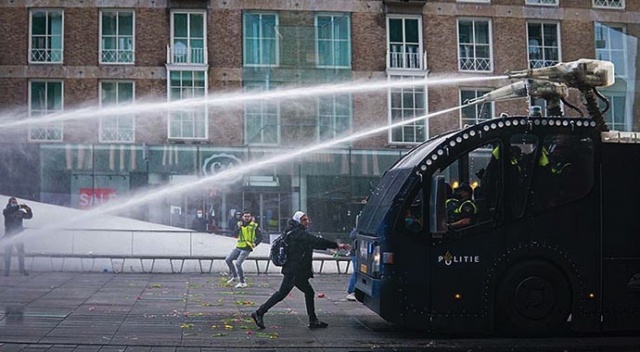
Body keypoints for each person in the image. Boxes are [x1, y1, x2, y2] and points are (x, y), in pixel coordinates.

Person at [251, 211, 350, 330]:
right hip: (294, 270)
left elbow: (312, 244)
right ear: (298, 221)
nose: (307, 222)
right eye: (304, 220)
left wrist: (333, 246)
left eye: (307, 219)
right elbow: (315, 241)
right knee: (282, 293)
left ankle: (313, 320)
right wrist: (336, 245)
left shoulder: (294, 231)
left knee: (309, 292)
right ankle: (259, 312)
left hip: (297, 271)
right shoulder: (298, 233)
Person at [225, 210, 262, 288]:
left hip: (247, 248)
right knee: (228, 260)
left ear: (251, 217)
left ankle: (242, 282)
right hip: (239, 246)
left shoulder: (254, 226)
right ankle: (235, 276)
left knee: (238, 263)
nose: (247, 218)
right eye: (245, 216)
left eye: (248, 216)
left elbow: (260, 237)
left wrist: (255, 243)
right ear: (242, 217)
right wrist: (238, 228)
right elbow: (234, 234)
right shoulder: (239, 224)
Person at [3, 197, 33, 276]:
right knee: (8, 254)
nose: (14, 203)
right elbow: (10, 211)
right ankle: (6, 271)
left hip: (18, 236)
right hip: (9, 235)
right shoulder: (6, 211)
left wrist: (28, 209)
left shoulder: (19, 212)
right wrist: (19, 206)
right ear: (9, 203)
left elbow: (29, 216)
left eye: (15, 202)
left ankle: (22, 269)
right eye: (13, 202)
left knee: (21, 253)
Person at [346, 227, 357, 301]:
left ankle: (352, 290)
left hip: (355, 253)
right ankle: (351, 290)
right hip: (356, 253)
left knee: (356, 272)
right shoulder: (356, 231)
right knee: (356, 272)